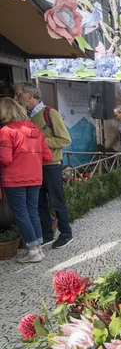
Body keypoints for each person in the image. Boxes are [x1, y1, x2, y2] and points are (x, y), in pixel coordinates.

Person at [13, 81, 73, 249]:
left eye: (19, 94)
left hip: (51, 164)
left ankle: (66, 234)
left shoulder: (50, 113)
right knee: (39, 203)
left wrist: (37, 141)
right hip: (33, 166)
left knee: (56, 201)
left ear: (30, 95)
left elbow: (65, 139)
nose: (16, 97)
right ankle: (47, 234)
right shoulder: (26, 116)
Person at [0, 98, 52, 263]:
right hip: (35, 178)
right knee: (32, 212)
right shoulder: (35, 130)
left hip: (15, 179)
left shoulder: (6, 131)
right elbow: (48, 156)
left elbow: (5, 159)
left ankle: (32, 251)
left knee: (21, 214)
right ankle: (38, 249)